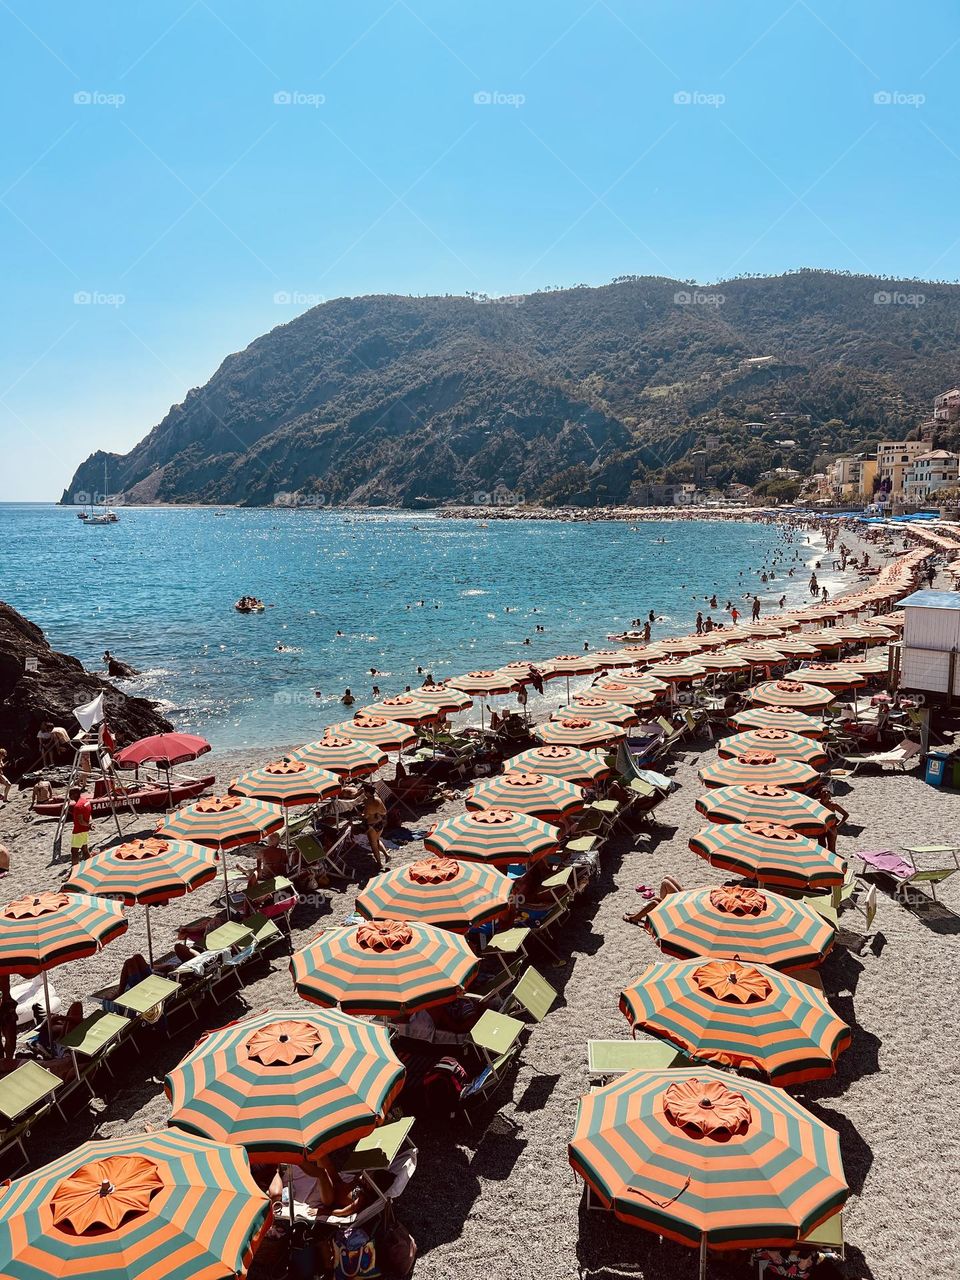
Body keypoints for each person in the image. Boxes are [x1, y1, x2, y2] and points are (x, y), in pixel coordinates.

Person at [360, 782, 387, 870]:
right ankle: (386, 855)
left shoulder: (368, 803)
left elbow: (366, 816)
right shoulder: (378, 799)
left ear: (368, 793)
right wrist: (377, 813)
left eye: (364, 792)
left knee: (373, 844)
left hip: (371, 825)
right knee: (377, 840)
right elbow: (384, 812)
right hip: (380, 823)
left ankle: (379, 863)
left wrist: (361, 815)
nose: (364, 793)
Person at [68, 785, 93, 866]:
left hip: (78, 831)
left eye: (70, 794)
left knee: (74, 851)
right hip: (84, 830)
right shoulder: (86, 802)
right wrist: (89, 824)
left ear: (75, 794)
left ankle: (74, 870)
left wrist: (88, 825)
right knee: (84, 849)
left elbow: (81, 821)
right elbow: (89, 815)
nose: (69, 796)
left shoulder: (78, 806)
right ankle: (90, 865)